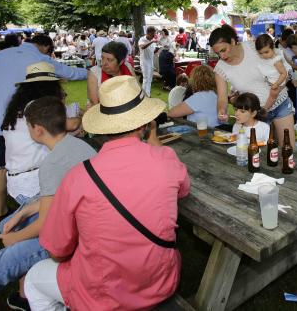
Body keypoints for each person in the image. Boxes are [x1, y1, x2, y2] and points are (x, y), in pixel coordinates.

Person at [24, 76, 189, 311]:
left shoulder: (78, 177)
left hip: (103, 295)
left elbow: (57, 250)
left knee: (33, 279)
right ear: (145, 123)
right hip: (160, 281)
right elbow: (183, 189)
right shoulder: (166, 159)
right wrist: (154, 143)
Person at [0, 96, 96, 311]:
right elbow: (60, 198)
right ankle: (25, 293)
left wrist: (14, 239)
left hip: (68, 239)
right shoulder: (81, 147)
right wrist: (24, 212)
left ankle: (22, 288)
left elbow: (45, 224)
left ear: (38, 130)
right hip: (81, 228)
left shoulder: (52, 163)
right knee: (7, 224)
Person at [0, 34, 88, 225]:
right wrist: (90, 74)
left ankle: (1, 212)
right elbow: (69, 124)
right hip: (33, 181)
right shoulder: (37, 102)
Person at [211, 24, 295, 136]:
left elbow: (285, 69)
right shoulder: (220, 69)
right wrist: (221, 111)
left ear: (232, 41)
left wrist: (277, 90)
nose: (222, 56)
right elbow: (222, 98)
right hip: (254, 115)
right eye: (218, 53)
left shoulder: (253, 47)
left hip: (280, 104)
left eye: (223, 50)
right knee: (256, 151)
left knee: (287, 148)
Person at [87, 41, 132, 106]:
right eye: (102, 58)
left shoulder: (127, 66)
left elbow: (138, 90)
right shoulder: (95, 72)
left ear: (121, 62)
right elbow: (94, 103)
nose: (103, 63)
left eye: (109, 60)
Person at [254, 33, 289, 108]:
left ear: (272, 48)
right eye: (260, 53)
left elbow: (284, 73)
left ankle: (265, 108)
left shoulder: (276, 60)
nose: (264, 55)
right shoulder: (263, 59)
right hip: (269, 81)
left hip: (278, 81)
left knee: (273, 93)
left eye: (266, 52)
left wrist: (277, 83)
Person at [138, 26, 158, 96]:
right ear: (148, 33)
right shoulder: (142, 39)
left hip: (150, 61)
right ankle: (143, 94)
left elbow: (153, 51)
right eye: (153, 34)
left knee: (150, 79)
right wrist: (152, 42)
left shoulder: (153, 40)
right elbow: (142, 47)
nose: (154, 36)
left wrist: (157, 49)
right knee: (146, 78)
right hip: (144, 61)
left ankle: (148, 94)